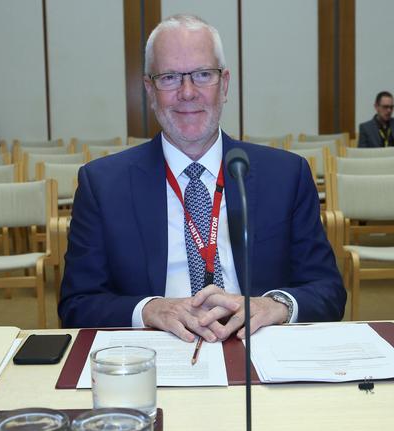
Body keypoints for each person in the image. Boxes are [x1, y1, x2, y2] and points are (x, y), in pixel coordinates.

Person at [59, 14, 346, 342]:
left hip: (258, 349)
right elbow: (76, 304)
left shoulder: (286, 176)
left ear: (224, 85)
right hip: (156, 351)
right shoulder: (102, 185)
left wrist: (274, 305)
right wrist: (150, 310)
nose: (187, 92)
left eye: (202, 75)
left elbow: (328, 290)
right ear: (150, 91)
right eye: (169, 77)